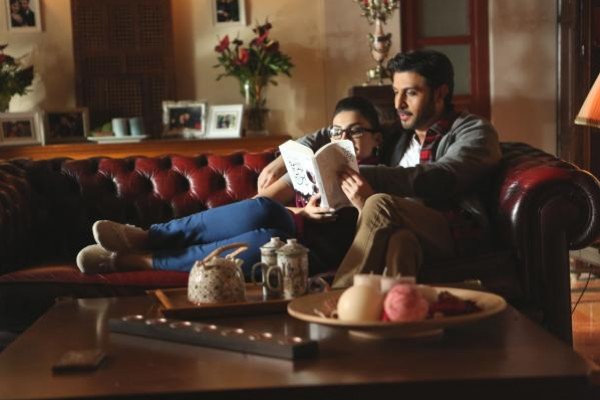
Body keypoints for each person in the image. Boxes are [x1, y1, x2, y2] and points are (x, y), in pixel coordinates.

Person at [257, 49, 502, 288]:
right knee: (401, 243)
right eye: (396, 92)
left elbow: (442, 177)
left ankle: (337, 296)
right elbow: (332, 131)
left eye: (411, 93)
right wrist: (285, 155)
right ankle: (394, 310)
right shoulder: (400, 132)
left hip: (453, 228)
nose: (399, 103)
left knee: (379, 203)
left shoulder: (475, 130)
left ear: (440, 93)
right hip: (408, 227)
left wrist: (365, 174)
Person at [76, 96, 383, 277]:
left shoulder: (385, 177)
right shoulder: (316, 163)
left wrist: (362, 202)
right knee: (263, 213)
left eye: (355, 131)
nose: (344, 138)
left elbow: (377, 234)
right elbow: (262, 202)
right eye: (337, 131)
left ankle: (135, 260)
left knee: (268, 243)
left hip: (316, 252)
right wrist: (302, 212)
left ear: (377, 138)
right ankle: (147, 237)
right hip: (293, 227)